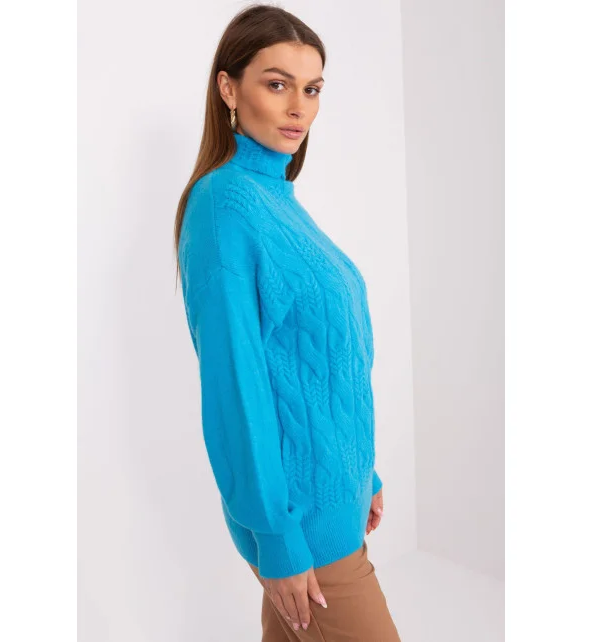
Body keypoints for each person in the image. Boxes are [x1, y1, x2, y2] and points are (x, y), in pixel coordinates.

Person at [173, 4, 401, 640]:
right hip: (302, 522)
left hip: (336, 498)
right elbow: (236, 388)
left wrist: (363, 470)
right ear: (229, 88)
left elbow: (321, 361)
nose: (299, 107)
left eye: (312, 89)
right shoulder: (223, 206)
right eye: (277, 84)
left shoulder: (278, 198)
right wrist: (275, 538)